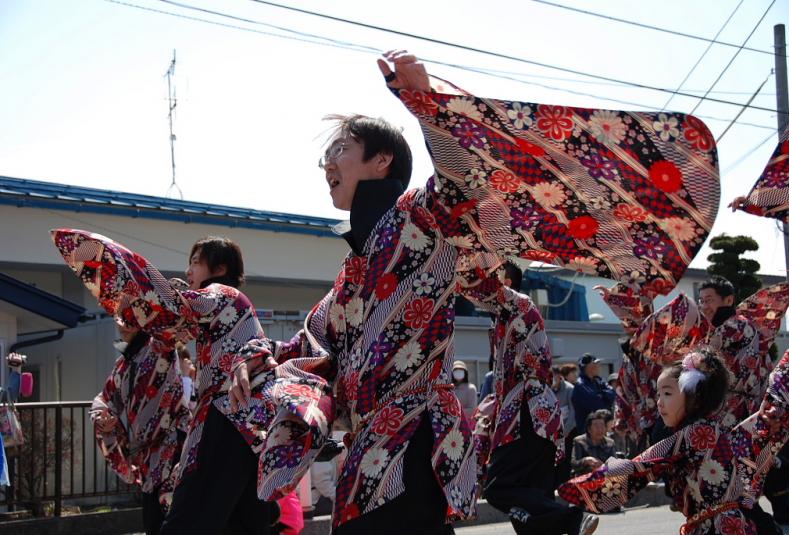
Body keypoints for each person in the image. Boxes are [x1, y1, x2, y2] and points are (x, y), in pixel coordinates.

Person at [229, 48, 720, 533]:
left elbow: (463, 176)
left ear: (382, 161)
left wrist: (426, 105)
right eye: (326, 155)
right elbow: (311, 344)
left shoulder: (420, 217)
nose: (327, 164)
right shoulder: (350, 273)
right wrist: (255, 359)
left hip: (415, 436)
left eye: (340, 150)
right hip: (369, 453)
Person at [52, 230, 289, 535]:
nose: (188, 270)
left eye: (195, 262)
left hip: (224, 415)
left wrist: (123, 271)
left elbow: (167, 310)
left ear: (219, 270)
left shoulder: (221, 295)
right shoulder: (229, 307)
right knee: (240, 522)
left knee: (187, 521)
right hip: (246, 420)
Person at [560, 346, 789, 535]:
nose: (659, 402)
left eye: (667, 393)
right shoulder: (717, 434)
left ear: (694, 396)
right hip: (740, 524)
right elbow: (776, 408)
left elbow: (639, 468)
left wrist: (575, 490)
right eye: (657, 394)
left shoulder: (692, 436)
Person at [462, 260, 597, 535]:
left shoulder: (519, 303)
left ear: (505, 282)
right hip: (532, 415)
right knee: (531, 507)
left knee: (500, 488)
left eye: (491, 275)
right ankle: (567, 522)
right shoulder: (503, 316)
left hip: (527, 412)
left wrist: (457, 265)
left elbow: (479, 286)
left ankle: (571, 519)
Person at [90, 320, 190, 535]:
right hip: (147, 456)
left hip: (176, 448)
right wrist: (103, 418)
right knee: (154, 522)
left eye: (129, 319)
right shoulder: (123, 364)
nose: (122, 325)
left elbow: (170, 322)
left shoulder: (160, 345)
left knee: (174, 519)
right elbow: (104, 399)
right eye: (119, 319)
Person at [571, 355, 615, 434]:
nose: (599, 366)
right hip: (587, 432)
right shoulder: (580, 385)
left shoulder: (598, 381)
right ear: (589, 367)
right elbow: (597, 405)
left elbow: (612, 394)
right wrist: (604, 397)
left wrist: (600, 393)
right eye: (596, 364)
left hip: (601, 430)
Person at [552, 365, 576, 485]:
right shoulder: (545, 388)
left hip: (567, 431)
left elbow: (573, 412)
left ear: (559, 376)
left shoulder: (569, 389)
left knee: (565, 460)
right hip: (551, 433)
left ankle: (564, 484)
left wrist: (565, 431)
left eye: (554, 376)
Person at [570, 412, 615, 476]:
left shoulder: (610, 443)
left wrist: (603, 466)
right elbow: (574, 464)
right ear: (589, 429)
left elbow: (615, 465)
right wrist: (585, 461)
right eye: (596, 426)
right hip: (584, 478)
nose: (599, 429)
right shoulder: (579, 441)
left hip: (604, 477)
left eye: (602, 426)